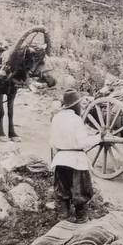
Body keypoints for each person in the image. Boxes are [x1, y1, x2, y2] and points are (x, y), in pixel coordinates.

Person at [50, 90, 97, 221]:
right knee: (80, 193)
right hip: (76, 162)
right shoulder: (76, 120)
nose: (81, 107)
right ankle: (81, 219)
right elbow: (82, 143)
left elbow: (52, 143)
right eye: (79, 104)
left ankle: (63, 218)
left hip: (60, 161)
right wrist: (99, 137)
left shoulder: (56, 118)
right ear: (75, 105)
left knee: (62, 193)